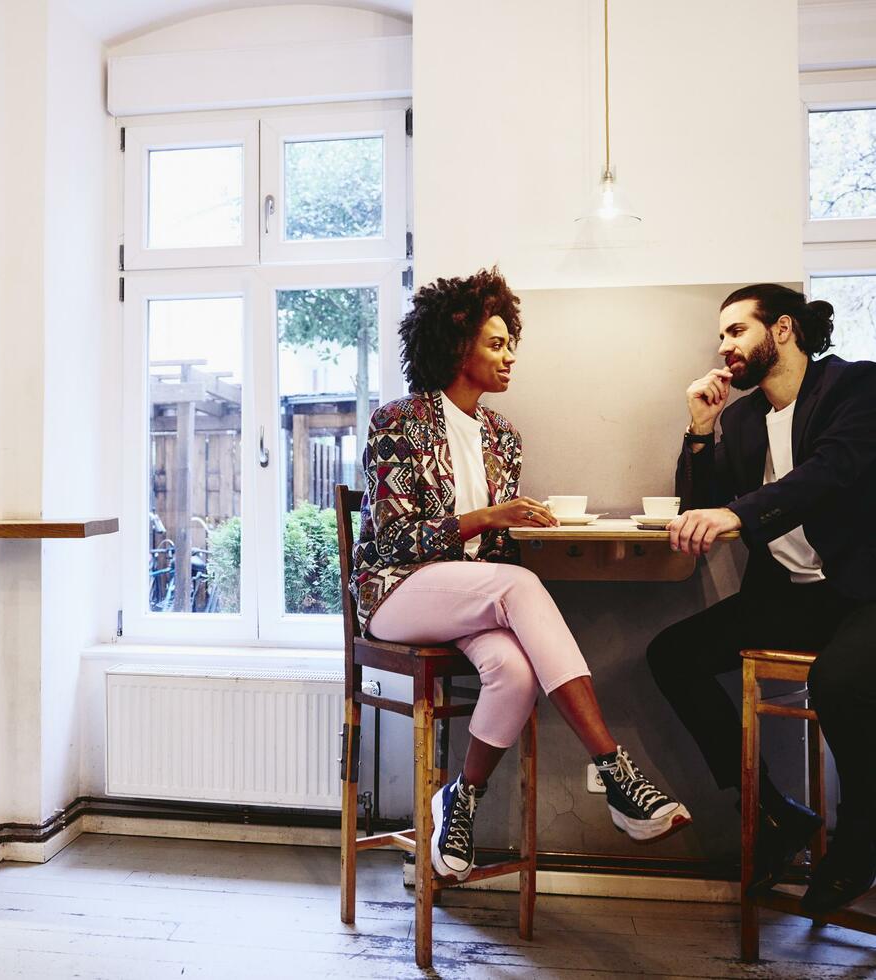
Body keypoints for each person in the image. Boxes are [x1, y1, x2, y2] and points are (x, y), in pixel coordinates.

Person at [351, 269, 690, 882]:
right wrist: (487, 518)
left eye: (512, 344)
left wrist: (528, 528)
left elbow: (497, 553)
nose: (510, 357)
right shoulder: (396, 421)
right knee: (518, 587)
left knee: (513, 671)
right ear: (458, 348)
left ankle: (461, 800)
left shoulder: (504, 438)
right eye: (496, 343)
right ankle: (615, 770)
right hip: (397, 590)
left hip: (472, 595)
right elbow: (395, 538)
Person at [648, 283, 876, 915]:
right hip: (793, 597)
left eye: (735, 331)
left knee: (842, 682)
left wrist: (737, 515)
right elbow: (702, 509)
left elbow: (829, 474)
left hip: (864, 593)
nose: (724, 347)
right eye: (720, 336)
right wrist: (700, 432)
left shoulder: (854, 387)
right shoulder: (744, 420)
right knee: (671, 654)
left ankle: (858, 846)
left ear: (781, 330)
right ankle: (777, 816)